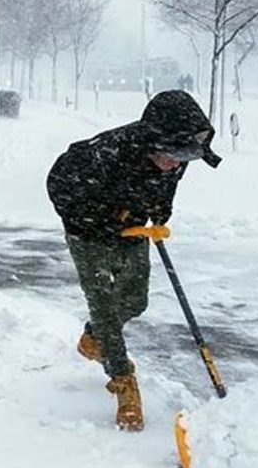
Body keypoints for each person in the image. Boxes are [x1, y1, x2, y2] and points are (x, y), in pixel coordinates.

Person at [46, 91, 222, 431]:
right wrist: (104, 221)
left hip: (132, 225)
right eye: (172, 155)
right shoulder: (105, 156)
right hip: (88, 230)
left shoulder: (174, 156)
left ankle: (93, 338)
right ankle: (122, 378)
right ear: (152, 143)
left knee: (135, 299)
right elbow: (61, 187)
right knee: (105, 306)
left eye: (184, 157)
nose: (176, 163)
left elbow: (164, 187)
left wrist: (158, 212)